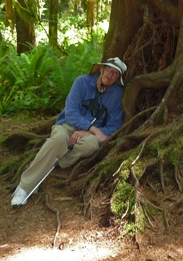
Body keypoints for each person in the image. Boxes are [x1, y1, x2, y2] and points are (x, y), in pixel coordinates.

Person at [11, 57, 127, 208]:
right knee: (58, 139)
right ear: (101, 68)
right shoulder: (82, 82)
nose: (112, 75)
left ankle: (59, 159)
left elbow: (114, 125)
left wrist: (90, 133)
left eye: (116, 74)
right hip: (68, 126)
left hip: (90, 135)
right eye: (110, 69)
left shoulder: (117, 94)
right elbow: (71, 113)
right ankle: (24, 187)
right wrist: (91, 129)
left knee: (91, 144)